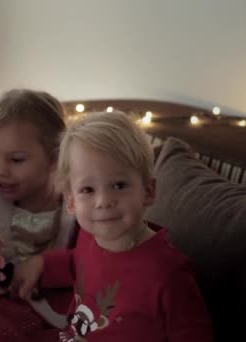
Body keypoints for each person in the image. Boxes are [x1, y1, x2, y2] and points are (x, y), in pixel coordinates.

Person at [14, 112, 214, 341]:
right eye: (88, 190)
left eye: (119, 185)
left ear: (148, 191)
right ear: (71, 201)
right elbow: (77, 263)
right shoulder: (89, 236)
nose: (103, 201)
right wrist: (41, 264)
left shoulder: (168, 273)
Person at [0, 89, 77, 341]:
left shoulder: (80, 201)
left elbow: (95, 258)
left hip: (61, 310)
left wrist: (46, 265)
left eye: (16, 160)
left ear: (54, 158)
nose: (1, 172)